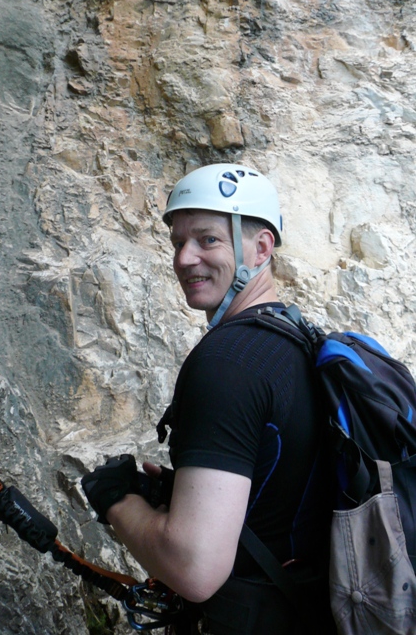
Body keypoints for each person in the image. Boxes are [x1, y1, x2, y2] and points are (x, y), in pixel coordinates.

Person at [82, 163, 335, 634]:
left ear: (262, 247)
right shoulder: (299, 340)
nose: (184, 258)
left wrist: (117, 499)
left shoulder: (227, 362)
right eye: (179, 242)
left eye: (207, 239)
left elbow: (194, 569)